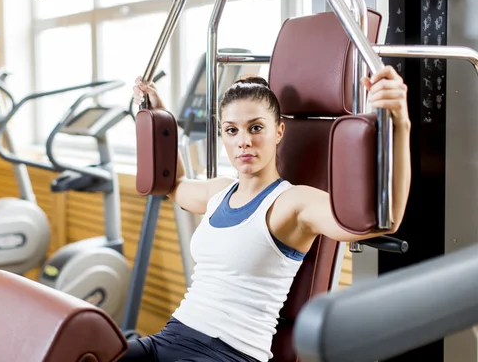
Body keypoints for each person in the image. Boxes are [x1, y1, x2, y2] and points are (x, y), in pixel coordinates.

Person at [124, 66, 411, 362]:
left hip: (229, 354)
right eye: (232, 130)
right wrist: (161, 115)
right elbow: (173, 184)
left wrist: (400, 122)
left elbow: (380, 220)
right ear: (222, 135)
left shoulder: (292, 203)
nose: (243, 141)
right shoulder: (218, 192)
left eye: (256, 128)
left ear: (279, 131)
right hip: (170, 338)